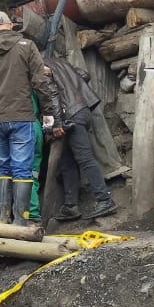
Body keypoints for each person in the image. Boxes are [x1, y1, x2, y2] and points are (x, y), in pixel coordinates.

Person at [0, 10, 57, 226]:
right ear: (10, 26)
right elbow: (40, 82)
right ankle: (21, 221)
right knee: (22, 168)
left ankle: (2, 217)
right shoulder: (26, 46)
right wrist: (49, 113)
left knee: (3, 167)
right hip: (22, 116)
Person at [46, 43, 116, 221]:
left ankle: (104, 199)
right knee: (67, 161)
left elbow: (52, 95)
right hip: (83, 110)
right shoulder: (60, 62)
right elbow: (85, 75)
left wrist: (56, 124)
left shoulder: (42, 70)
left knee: (85, 158)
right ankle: (71, 206)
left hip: (70, 116)